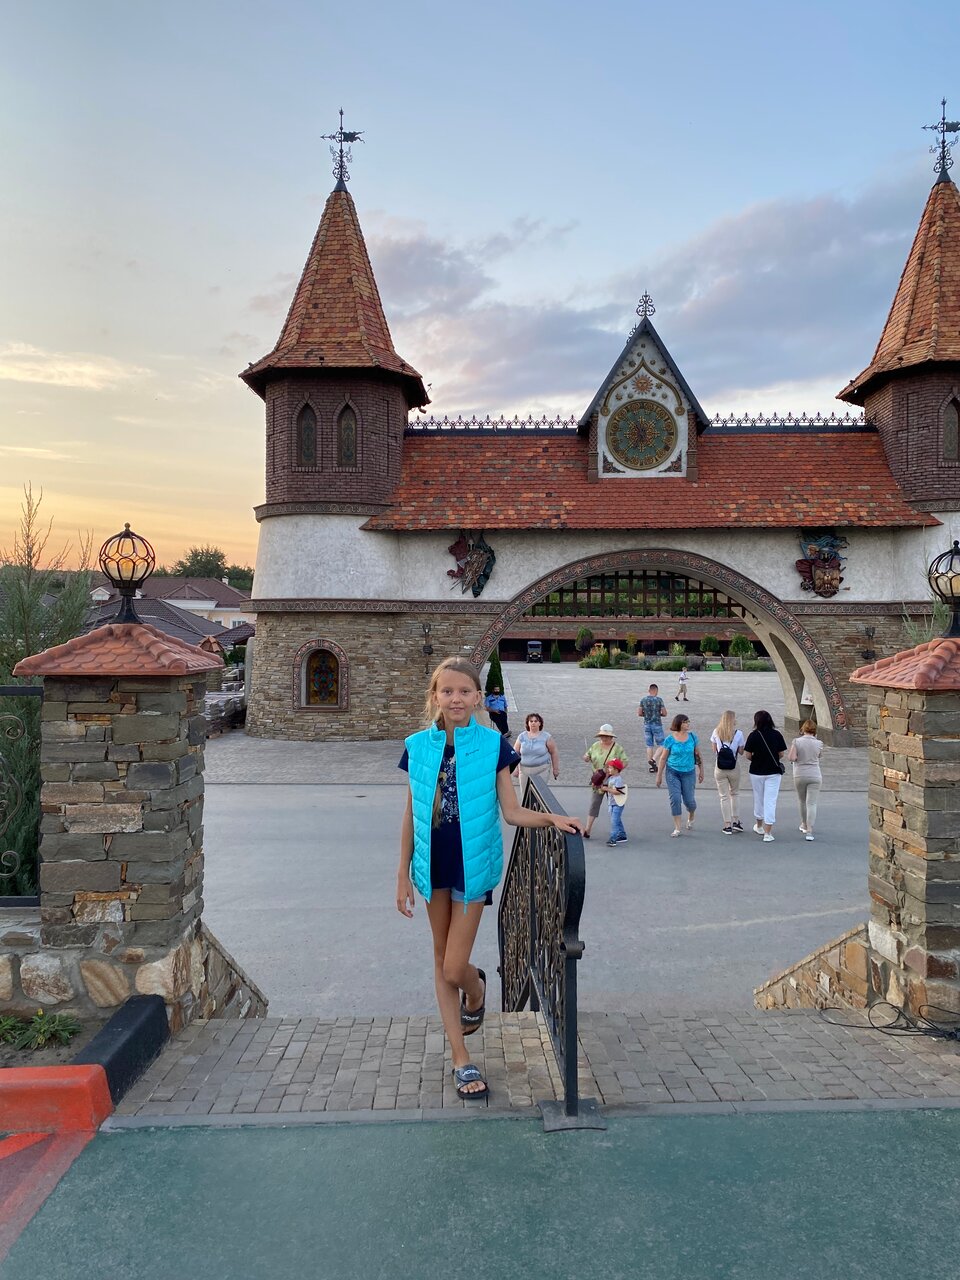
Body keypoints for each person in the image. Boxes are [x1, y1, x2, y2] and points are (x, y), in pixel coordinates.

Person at [396, 657, 582, 1101]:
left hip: (473, 867)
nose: (456, 699)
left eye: (464, 691)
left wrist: (552, 819)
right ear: (435, 696)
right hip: (431, 868)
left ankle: (475, 990)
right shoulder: (417, 746)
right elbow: (411, 813)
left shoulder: (495, 746)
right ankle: (460, 1057)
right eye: (447, 691)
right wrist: (401, 873)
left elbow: (512, 811)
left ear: (478, 697)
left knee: (454, 967)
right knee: (440, 960)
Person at [656, 713, 704, 836]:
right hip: (673, 772)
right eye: (685, 722)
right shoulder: (670, 739)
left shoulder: (692, 737)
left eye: (688, 722)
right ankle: (677, 827)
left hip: (689, 772)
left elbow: (698, 755)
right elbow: (663, 758)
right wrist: (659, 775)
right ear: (679, 724)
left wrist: (701, 770)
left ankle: (691, 815)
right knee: (675, 799)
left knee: (689, 801)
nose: (688, 724)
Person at [743, 709, 787, 843]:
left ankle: (759, 826)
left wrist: (757, 759)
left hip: (756, 772)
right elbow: (781, 754)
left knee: (758, 798)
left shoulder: (753, 735)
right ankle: (768, 832)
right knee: (770, 801)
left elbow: (747, 755)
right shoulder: (777, 734)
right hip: (773, 772)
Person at [582, 723, 629, 840]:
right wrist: (586, 758)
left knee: (615, 806)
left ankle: (620, 832)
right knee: (594, 804)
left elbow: (625, 762)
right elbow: (587, 756)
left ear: (611, 736)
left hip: (612, 780)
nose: (604, 738)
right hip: (598, 780)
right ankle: (588, 829)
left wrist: (615, 771)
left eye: (606, 736)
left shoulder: (617, 748)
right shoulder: (595, 746)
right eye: (602, 736)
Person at [710, 710, 745, 835]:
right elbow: (741, 752)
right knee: (734, 793)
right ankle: (736, 821)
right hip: (733, 766)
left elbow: (714, 750)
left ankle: (727, 825)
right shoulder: (739, 734)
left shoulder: (716, 732)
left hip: (719, 767)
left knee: (723, 796)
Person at [788, 719, 823, 841]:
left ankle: (803, 824)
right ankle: (810, 831)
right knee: (812, 803)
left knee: (802, 801)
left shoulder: (796, 742)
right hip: (815, 774)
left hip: (800, 774)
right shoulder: (819, 743)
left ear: (803, 729)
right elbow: (819, 755)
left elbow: (791, 757)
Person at [512, 712, 560, 788]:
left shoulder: (546, 737)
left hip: (542, 770)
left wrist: (555, 769)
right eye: (531, 721)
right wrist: (515, 768)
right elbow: (515, 753)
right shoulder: (522, 736)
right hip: (524, 770)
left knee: (540, 791)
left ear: (540, 723)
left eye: (535, 721)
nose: (533, 723)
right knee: (525, 792)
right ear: (528, 723)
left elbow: (554, 752)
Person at [638, 682, 667, 773]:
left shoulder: (643, 700)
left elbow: (639, 713)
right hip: (657, 724)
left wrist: (646, 715)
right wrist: (658, 714)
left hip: (647, 724)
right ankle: (653, 759)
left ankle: (651, 767)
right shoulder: (659, 700)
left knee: (649, 745)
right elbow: (664, 713)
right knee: (663, 744)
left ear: (649, 690)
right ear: (656, 691)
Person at [599, 758, 628, 846]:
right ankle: (622, 835)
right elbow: (605, 784)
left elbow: (618, 791)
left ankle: (613, 838)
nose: (608, 769)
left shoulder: (618, 779)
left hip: (617, 804)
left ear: (616, 769)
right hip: (611, 803)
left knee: (614, 821)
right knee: (617, 819)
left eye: (610, 768)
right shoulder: (611, 778)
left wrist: (607, 789)